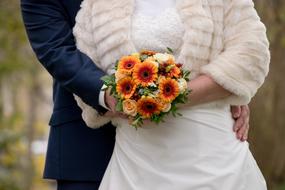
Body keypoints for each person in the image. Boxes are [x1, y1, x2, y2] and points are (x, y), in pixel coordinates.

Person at [20, 0, 253, 189]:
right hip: (87, 145)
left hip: (200, 140)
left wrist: (224, 86)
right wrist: (110, 96)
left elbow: (232, 41)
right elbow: (57, 51)